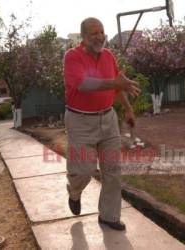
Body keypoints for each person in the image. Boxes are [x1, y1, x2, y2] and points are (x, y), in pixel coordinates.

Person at [63, 17, 140, 231]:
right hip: (80, 120)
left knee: (113, 170)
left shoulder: (108, 56)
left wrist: (128, 108)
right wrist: (115, 82)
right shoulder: (72, 56)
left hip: (108, 119)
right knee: (84, 170)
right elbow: (83, 84)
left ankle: (108, 216)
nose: (99, 36)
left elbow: (117, 85)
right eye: (93, 33)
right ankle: (75, 191)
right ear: (83, 37)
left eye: (101, 32)